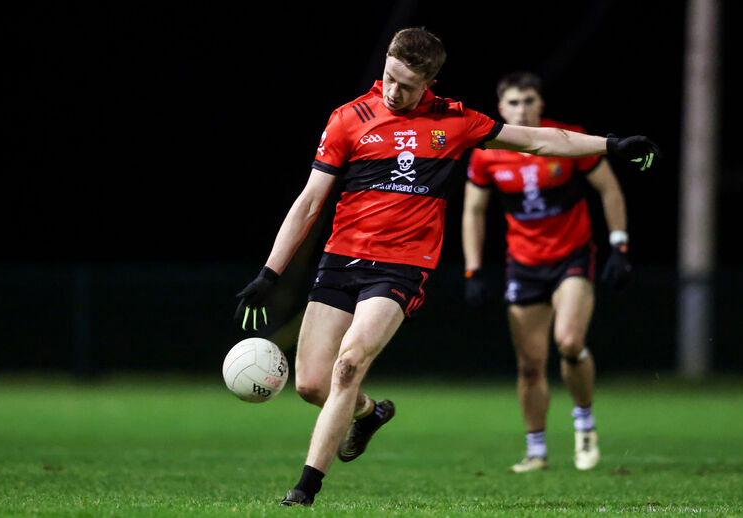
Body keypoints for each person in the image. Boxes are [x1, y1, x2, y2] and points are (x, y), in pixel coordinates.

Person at [234, 29, 658, 506]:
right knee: (312, 384)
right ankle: (370, 414)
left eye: (407, 86)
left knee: (348, 366)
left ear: (430, 82)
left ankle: (305, 489)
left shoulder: (455, 121)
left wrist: (611, 143)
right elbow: (310, 201)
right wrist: (270, 273)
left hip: (400, 268)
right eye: (390, 78)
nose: (394, 92)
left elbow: (538, 141)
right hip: (341, 261)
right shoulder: (348, 120)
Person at [462, 71, 635, 473]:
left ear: (540, 105)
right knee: (530, 363)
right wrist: (473, 271)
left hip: (572, 257)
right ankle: (536, 451)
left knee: (570, 341)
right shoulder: (487, 152)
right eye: (513, 102)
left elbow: (609, 189)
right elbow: (473, 211)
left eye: (529, 100)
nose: (522, 108)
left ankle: (584, 424)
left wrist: (620, 246)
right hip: (523, 265)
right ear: (500, 109)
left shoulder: (568, 139)